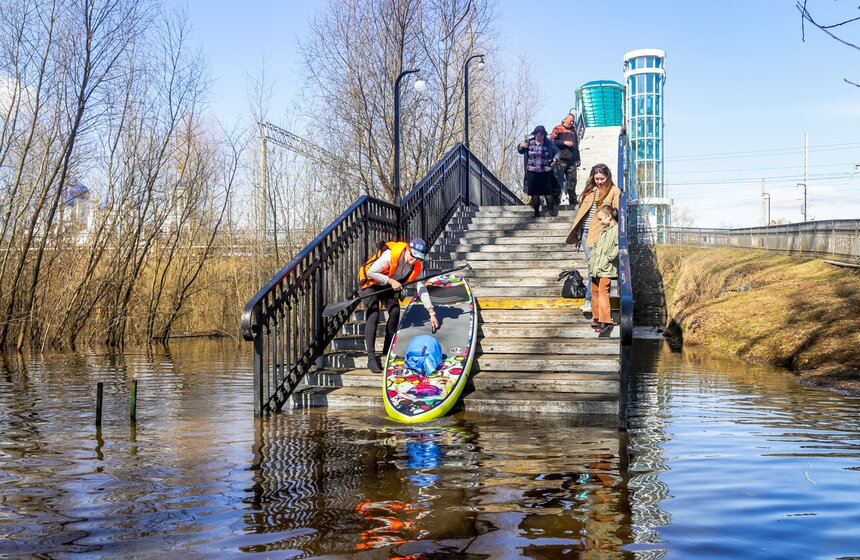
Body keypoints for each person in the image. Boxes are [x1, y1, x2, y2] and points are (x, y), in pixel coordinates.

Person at [358, 238, 439, 373]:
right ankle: (371, 358)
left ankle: (387, 348)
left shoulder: (416, 266)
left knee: (395, 311)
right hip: (370, 283)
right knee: (374, 315)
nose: (414, 260)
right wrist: (391, 281)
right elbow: (371, 271)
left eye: (418, 258)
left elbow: (422, 289)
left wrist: (431, 312)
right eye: (412, 255)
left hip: (387, 285)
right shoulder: (391, 255)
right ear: (407, 249)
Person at [564, 163, 621, 314]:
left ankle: (589, 301)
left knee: (594, 268)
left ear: (608, 176)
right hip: (585, 233)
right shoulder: (591, 191)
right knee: (592, 267)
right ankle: (593, 302)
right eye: (597, 178)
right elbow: (582, 214)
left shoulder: (615, 191)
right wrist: (577, 233)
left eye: (602, 178)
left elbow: (616, 214)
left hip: (601, 234)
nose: (600, 181)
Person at [517, 125, 560, 217]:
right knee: (534, 193)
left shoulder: (548, 143)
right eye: (538, 135)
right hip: (532, 172)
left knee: (547, 192)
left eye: (541, 135)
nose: (539, 137)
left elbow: (557, 152)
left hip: (545, 171)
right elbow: (520, 150)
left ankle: (551, 210)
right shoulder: (529, 142)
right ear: (535, 134)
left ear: (544, 135)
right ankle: (536, 212)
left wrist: (555, 160)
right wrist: (520, 145)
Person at [588, 205, 619, 333]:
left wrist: (609, 258)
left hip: (606, 267)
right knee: (594, 291)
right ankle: (596, 317)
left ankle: (606, 320)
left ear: (609, 216)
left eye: (601, 219)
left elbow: (618, 246)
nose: (599, 222)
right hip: (596, 267)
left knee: (603, 292)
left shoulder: (616, 229)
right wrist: (591, 260)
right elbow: (595, 247)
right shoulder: (604, 231)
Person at [550, 113, 581, 203]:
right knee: (558, 180)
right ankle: (555, 200)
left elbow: (576, 146)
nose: (572, 123)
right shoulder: (558, 129)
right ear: (565, 120)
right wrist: (564, 142)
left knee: (572, 180)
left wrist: (578, 158)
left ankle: (573, 199)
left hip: (572, 160)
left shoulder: (573, 131)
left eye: (573, 121)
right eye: (570, 121)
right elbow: (552, 141)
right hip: (561, 159)